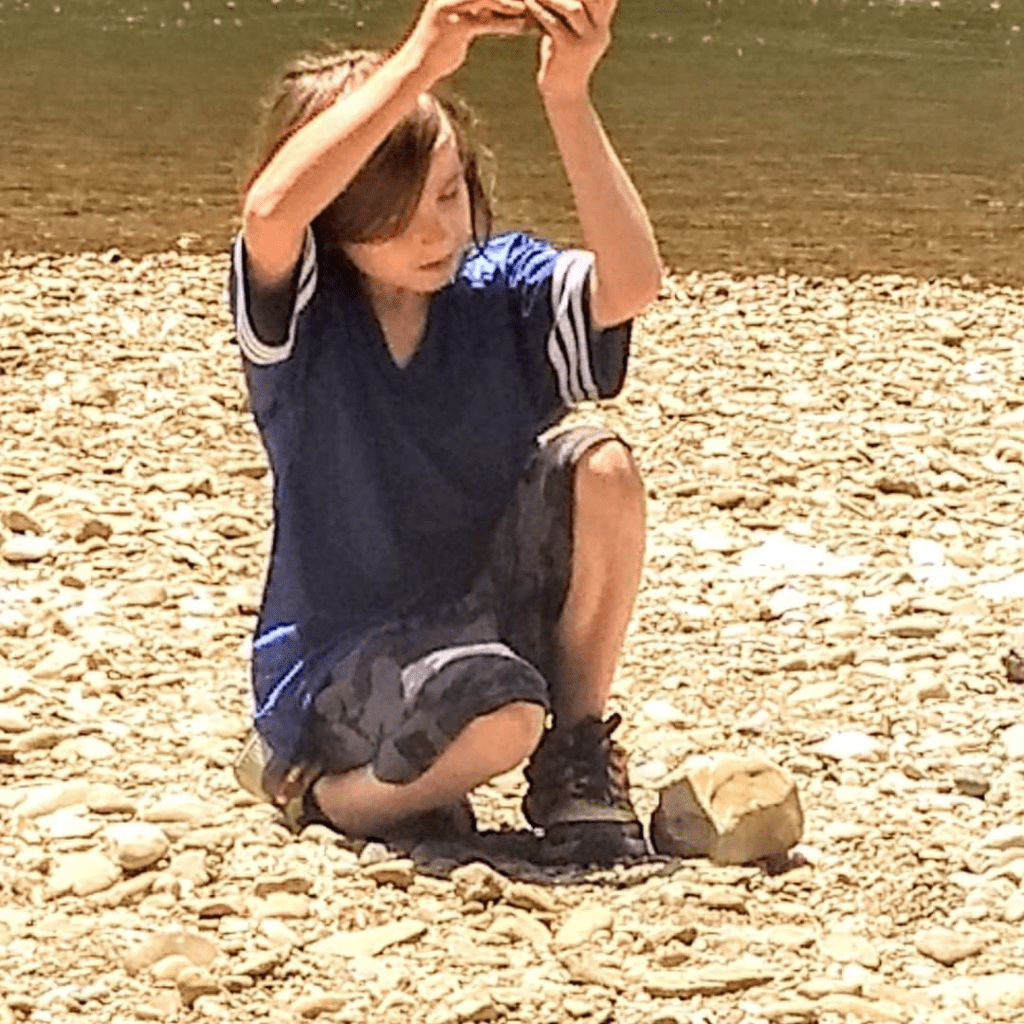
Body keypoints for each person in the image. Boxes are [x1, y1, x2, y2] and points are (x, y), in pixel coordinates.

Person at [230, 0, 662, 865]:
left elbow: (632, 283)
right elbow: (271, 210)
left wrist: (569, 97)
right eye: (393, 211)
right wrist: (421, 63)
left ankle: (573, 759)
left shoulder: (498, 291)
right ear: (339, 221)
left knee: (603, 464)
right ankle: (330, 792)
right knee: (499, 717)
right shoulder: (307, 324)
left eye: (450, 193)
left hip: (484, 612)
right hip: (343, 652)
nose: (436, 231)